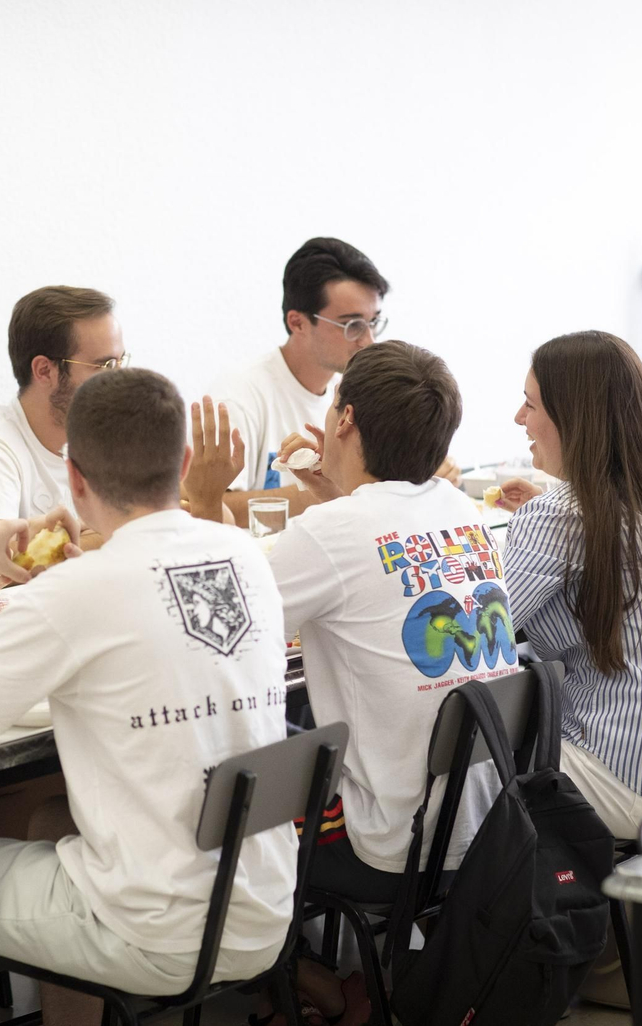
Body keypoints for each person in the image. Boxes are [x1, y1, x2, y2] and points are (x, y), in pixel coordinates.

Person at [0, 369, 295, 1022]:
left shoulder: (76, 593)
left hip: (156, 928)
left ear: (74, 476)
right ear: (185, 461)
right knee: (53, 817)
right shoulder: (245, 554)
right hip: (258, 906)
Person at [189, 341, 516, 1023]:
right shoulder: (464, 510)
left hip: (390, 841)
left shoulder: (334, 531)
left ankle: (287, 978)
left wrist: (201, 497)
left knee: (218, 779)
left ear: (344, 421)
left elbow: (211, 633)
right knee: (287, 740)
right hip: (482, 828)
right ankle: (332, 978)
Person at [491, 332, 642, 838]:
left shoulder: (558, 517)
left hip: (623, 778)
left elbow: (479, 633)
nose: (520, 418)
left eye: (530, 403)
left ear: (574, 418)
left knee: (457, 763)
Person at [208, 238, 457, 529]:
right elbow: (205, 506)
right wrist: (329, 489)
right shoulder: (240, 396)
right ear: (297, 322)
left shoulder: (365, 393)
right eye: (352, 325)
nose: (368, 340)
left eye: (373, 321)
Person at [0, 285, 123, 545]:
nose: (120, 380)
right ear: (44, 371)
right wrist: (121, 533)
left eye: (121, 362)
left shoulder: (107, 441)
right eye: (105, 365)